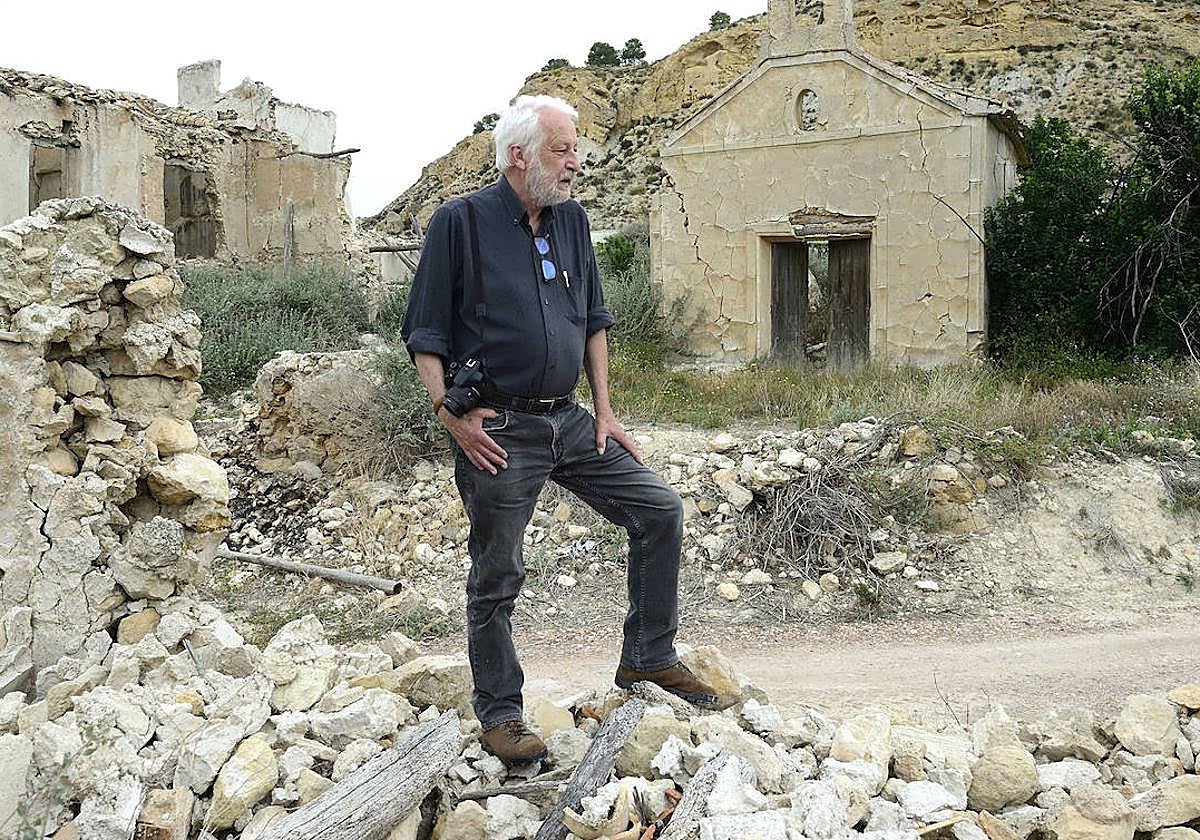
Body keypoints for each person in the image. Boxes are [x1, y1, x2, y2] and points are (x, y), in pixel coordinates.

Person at [401, 94, 718, 766]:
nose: (576, 162)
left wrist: (604, 411)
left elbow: (594, 321)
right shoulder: (458, 223)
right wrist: (449, 415)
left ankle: (647, 657)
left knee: (659, 509)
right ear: (520, 156)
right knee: (498, 573)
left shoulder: (571, 219)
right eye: (563, 150)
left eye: (576, 149)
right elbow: (423, 333)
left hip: (570, 419)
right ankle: (502, 714)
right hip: (499, 428)